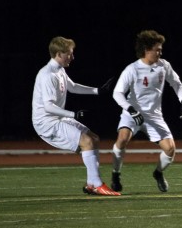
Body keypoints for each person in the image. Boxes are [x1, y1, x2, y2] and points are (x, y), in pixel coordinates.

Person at [32, 36, 119, 196]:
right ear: (59, 54)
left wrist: (97, 91)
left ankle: (92, 184)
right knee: (86, 142)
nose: (73, 57)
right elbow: (48, 106)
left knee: (94, 139)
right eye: (70, 54)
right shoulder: (47, 74)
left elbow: (72, 87)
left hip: (57, 118)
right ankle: (97, 184)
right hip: (46, 122)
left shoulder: (59, 70)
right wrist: (74, 114)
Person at [110, 30, 182, 193]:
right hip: (132, 114)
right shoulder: (132, 69)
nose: (160, 53)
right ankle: (115, 174)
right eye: (157, 50)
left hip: (154, 116)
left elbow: (177, 84)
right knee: (122, 139)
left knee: (170, 149)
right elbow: (117, 93)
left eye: (161, 49)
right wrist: (131, 109)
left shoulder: (164, 65)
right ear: (146, 50)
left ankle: (158, 173)